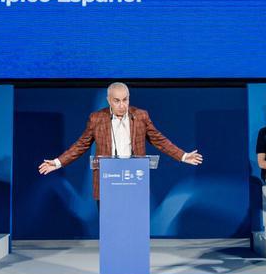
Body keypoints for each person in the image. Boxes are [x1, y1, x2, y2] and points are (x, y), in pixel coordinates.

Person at [38, 82, 203, 199]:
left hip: (134, 181)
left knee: (133, 226)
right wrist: (57, 162)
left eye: (125, 100)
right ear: (109, 100)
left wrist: (183, 156)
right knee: (111, 227)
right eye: (117, 101)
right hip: (107, 180)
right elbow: (80, 145)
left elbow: (160, 140)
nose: (122, 105)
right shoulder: (97, 118)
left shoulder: (140, 116)